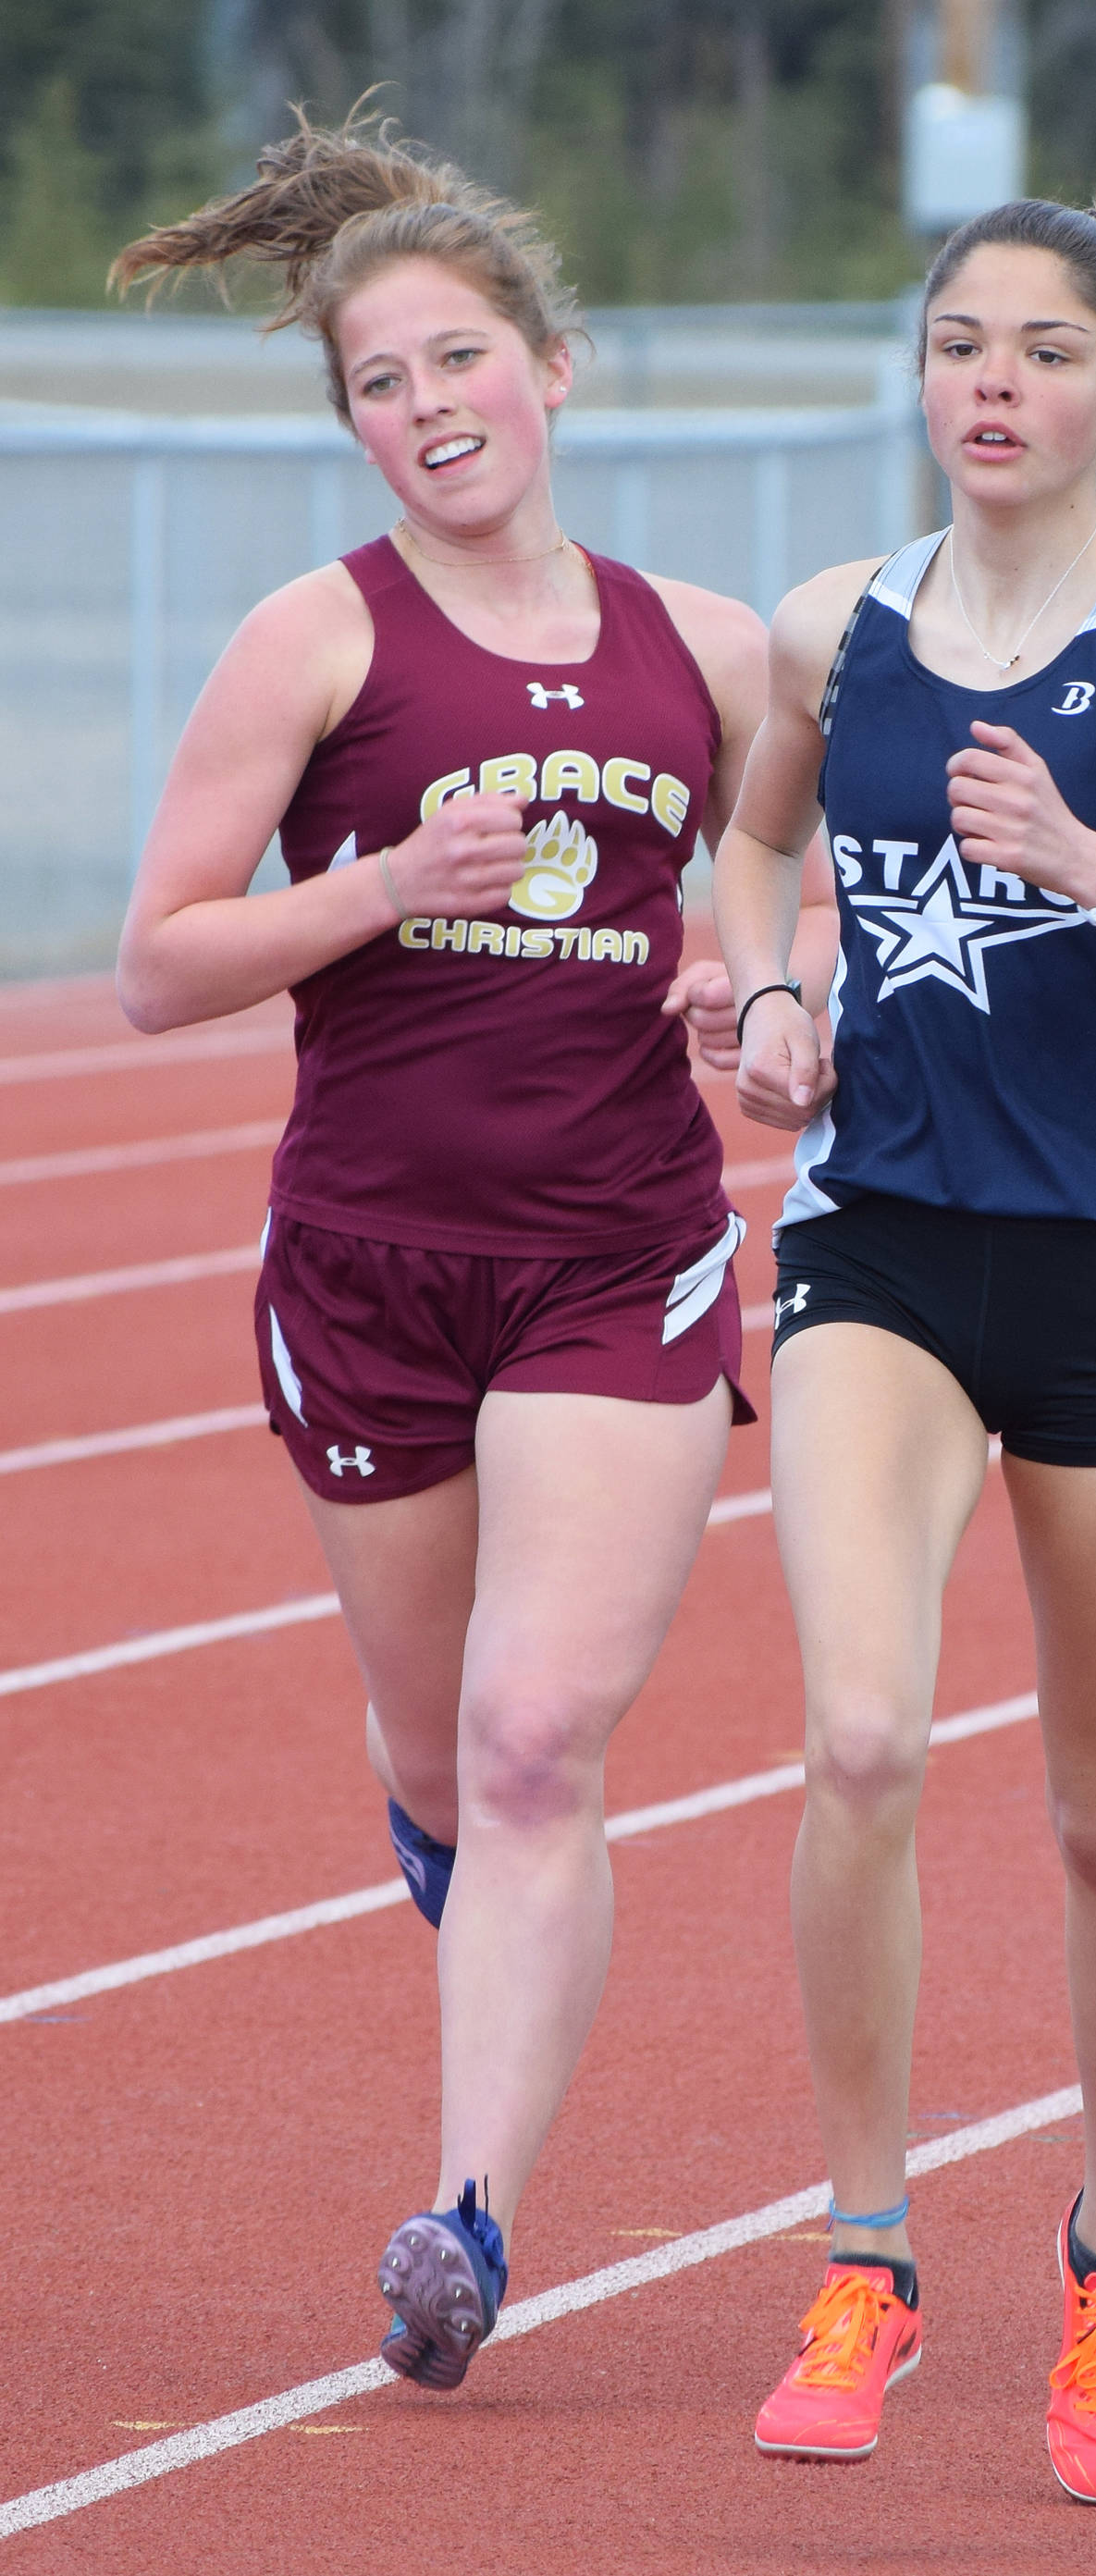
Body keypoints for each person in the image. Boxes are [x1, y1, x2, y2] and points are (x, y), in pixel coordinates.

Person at [109, 111, 814, 2392]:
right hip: (372, 1268)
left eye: (457, 360)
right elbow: (158, 963)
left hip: (618, 1255)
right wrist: (373, 893)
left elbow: (777, 925)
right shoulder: (313, 640)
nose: (427, 409)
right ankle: (469, 1895)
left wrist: (767, 1009)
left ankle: (469, 2213)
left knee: (533, 1740)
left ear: (555, 366)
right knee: (436, 1759)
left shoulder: (707, 656)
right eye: (378, 384)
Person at [712, 198, 1096, 2501]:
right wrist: (772, 992)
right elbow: (747, 843)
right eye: (960, 342)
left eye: (1046, 349)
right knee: (863, 1736)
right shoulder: (829, 629)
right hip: (876, 1243)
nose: (994, 382)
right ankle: (867, 2252)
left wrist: (1090, 866)